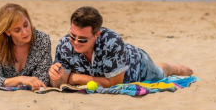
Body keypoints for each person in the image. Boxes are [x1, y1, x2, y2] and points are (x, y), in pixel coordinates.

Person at [48, 6, 192, 89]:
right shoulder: (64, 45)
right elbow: (59, 84)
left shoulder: (112, 42)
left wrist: (75, 78)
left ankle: (172, 67)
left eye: (83, 39)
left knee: (161, 72)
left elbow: (113, 84)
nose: (76, 42)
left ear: (96, 34)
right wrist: (55, 77)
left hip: (138, 65)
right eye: (73, 36)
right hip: (116, 64)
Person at [0, 3, 51, 90]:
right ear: (7, 32)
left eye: (26, 25)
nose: (25, 32)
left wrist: (10, 82)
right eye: (17, 30)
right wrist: (19, 79)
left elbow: (43, 80)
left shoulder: (42, 40)